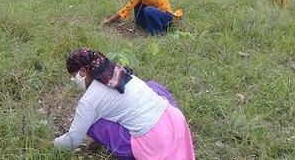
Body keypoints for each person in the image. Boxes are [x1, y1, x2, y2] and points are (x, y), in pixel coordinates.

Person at [54, 48, 196, 160]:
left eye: (74, 77)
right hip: (174, 120)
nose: (74, 81)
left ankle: (129, 154)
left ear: (83, 71)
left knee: (91, 124)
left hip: (154, 141)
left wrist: (52, 144)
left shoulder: (89, 101)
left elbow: (73, 140)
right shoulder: (117, 72)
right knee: (152, 85)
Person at [102, 0, 182, 36]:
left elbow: (125, 10)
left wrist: (109, 20)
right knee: (139, 4)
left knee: (149, 10)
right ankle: (141, 23)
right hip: (160, 15)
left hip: (167, 18)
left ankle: (157, 32)